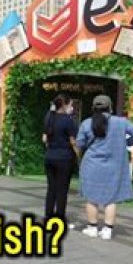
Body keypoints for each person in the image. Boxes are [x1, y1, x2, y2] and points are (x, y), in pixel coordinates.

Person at [77, 94, 133, 240]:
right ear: (110, 107)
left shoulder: (86, 123)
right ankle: (107, 230)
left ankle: (92, 228)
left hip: (91, 165)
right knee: (111, 199)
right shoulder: (121, 122)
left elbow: (80, 144)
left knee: (91, 198)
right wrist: (127, 142)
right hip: (114, 167)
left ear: (93, 108)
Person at [42, 94, 78, 224]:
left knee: (51, 189)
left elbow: (44, 139)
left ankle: (48, 216)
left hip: (50, 156)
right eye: (71, 105)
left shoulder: (49, 118)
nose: (72, 107)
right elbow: (73, 141)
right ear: (64, 105)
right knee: (62, 190)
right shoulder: (68, 121)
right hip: (64, 158)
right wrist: (79, 155)